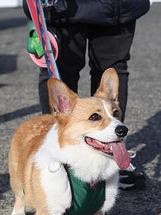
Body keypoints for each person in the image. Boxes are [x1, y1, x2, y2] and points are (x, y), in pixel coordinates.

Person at [23, 0, 150, 189]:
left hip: (116, 7)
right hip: (61, 7)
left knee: (111, 69)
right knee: (60, 78)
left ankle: (112, 155)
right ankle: (55, 158)